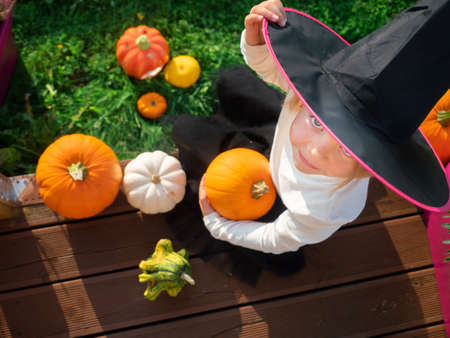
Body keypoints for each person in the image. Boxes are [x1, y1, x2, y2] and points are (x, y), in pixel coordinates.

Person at [196, 0, 450, 254]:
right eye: (318, 121)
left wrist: (218, 226)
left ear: (376, 164)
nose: (316, 151)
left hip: (288, 205)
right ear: (310, 94)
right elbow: (272, 70)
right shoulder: (304, 101)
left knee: (284, 262)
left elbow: (274, 238)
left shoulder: (324, 211)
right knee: (233, 80)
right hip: (277, 150)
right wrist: (256, 42)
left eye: (347, 149)